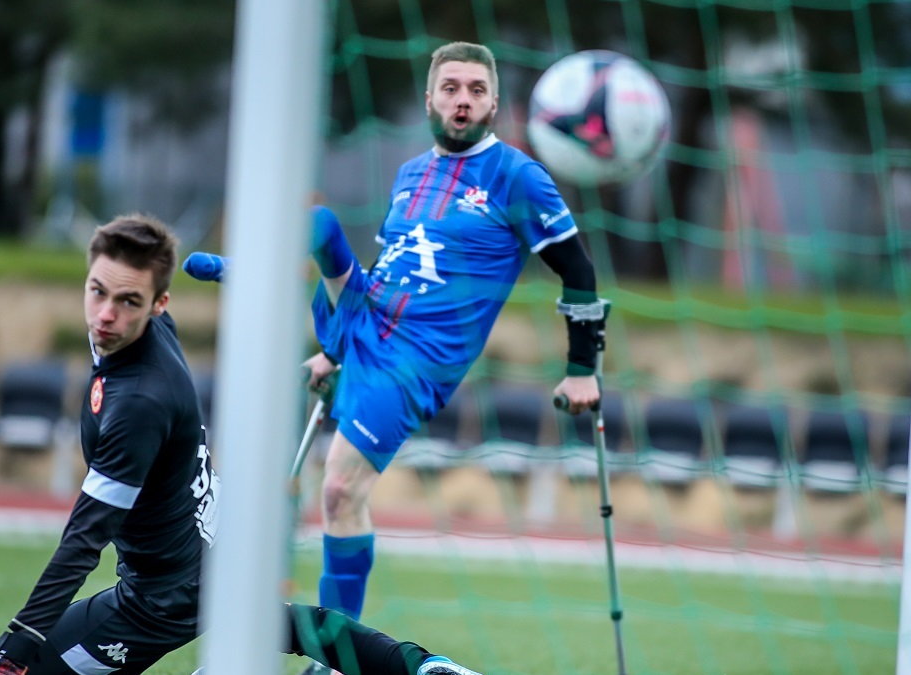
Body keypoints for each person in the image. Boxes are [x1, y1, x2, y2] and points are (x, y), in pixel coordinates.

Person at [188, 41, 607, 675]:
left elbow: (578, 272)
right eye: (450, 88)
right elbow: (386, 264)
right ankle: (267, 279)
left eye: (474, 89)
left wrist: (582, 368)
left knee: (338, 488)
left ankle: (333, 662)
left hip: (418, 357)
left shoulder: (518, 176)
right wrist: (334, 355)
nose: (462, 100)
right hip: (365, 321)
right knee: (320, 224)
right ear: (430, 98)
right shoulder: (410, 172)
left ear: (494, 101)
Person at [0, 215, 482, 675]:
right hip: (211, 546)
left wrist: (13, 651)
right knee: (276, 621)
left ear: (159, 303)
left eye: (128, 301)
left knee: (30, 668)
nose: (106, 314)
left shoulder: (138, 404)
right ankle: (422, 668)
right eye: (97, 291)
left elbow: (85, 539)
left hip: (159, 602)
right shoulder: (150, 331)